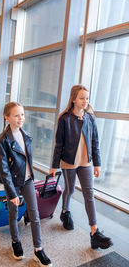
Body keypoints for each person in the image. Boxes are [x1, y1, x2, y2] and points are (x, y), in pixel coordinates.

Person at [50, 85, 113, 250]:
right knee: (70, 190)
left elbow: (95, 142)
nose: (85, 101)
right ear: (73, 100)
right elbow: (59, 145)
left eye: (87, 97)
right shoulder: (64, 119)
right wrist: (54, 166)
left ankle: (94, 232)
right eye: (82, 98)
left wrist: (97, 163)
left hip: (86, 162)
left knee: (89, 194)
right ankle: (65, 212)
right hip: (69, 162)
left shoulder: (90, 118)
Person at [0, 102, 52, 267]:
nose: (21, 118)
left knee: (34, 215)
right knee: (13, 214)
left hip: (27, 180)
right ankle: (15, 242)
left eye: (22, 115)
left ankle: (38, 250)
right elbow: (4, 170)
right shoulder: (2, 140)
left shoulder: (26, 135)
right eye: (16, 115)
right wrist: (12, 194)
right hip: (13, 183)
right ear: (7, 117)